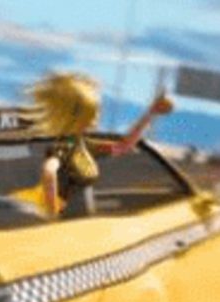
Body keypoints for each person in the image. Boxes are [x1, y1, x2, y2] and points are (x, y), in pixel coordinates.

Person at [11, 73, 174, 217]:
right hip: (54, 216)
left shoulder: (82, 144)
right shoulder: (66, 145)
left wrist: (150, 114)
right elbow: (48, 171)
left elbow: (123, 146)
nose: (97, 117)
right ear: (75, 113)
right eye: (92, 112)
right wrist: (52, 213)